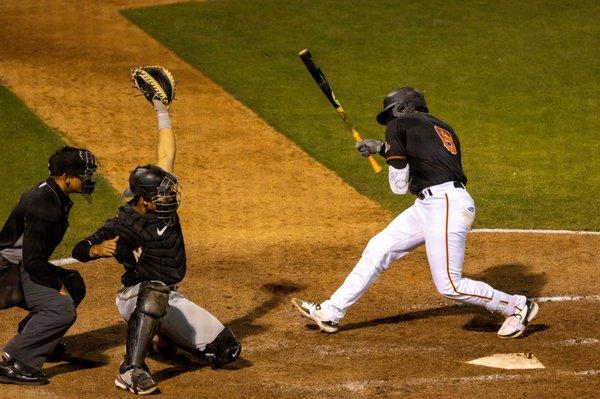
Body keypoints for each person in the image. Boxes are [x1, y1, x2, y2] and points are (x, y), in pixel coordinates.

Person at [292, 87, 539, 339]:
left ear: (401, 108)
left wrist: (389, 153)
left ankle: (517, 305)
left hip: (443, 205)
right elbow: (423, 157)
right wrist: (381, 148)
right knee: (380, 247)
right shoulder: (441, 127)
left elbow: (398, 187)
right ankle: (331, 311)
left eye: (390, 116)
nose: (389, 122)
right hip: (433, 204)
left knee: (450, 285)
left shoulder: (399, 126)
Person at [72, 89, 241, 395]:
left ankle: (162, 340)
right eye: (164, 194)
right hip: (137, 296)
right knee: (155, 291)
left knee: (227, 349)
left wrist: (160, 106)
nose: (171, 197)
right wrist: (95, 249)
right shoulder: (121, 224)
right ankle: (130, 370)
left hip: (169, 297)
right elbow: (78, 249)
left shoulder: (161, 207)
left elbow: (166, 151)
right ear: (144, 199)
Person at [0, 146, 98, 385]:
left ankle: (38, 339)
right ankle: (15, 361)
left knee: (74, 283)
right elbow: (32, 262)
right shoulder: (45, 206)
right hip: (8, 271)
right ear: (66, 178)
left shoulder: (53, 194)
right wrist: (56, 286)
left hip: (20, 264)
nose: (89, 179)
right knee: (62, 307)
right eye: (83, 174)